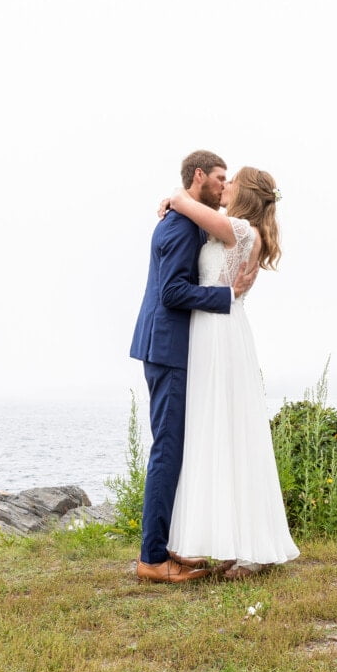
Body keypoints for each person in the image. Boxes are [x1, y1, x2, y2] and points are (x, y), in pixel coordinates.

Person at [163, 166, 300, 579]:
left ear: (245, 193)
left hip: (220, 333)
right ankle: (231, 542)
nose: (224, 186)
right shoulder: (237, 230)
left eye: (231, 181)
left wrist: (173, 198)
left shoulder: (240, 229)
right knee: (217, 432)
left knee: (230, 431)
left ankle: (251, 550)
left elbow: (184, 200)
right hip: (212, 329)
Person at [129, 151, 257, 584]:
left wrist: (176, 198)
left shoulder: (189, 219)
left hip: (169, 347)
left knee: (175, 448)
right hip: (168, 348)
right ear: (199, 176)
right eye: (219, 177)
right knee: (168, 450)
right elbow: (172, 292)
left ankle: (165, 548)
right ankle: (152, 558)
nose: (224, 185)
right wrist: (226, 296)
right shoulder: (183, 225)